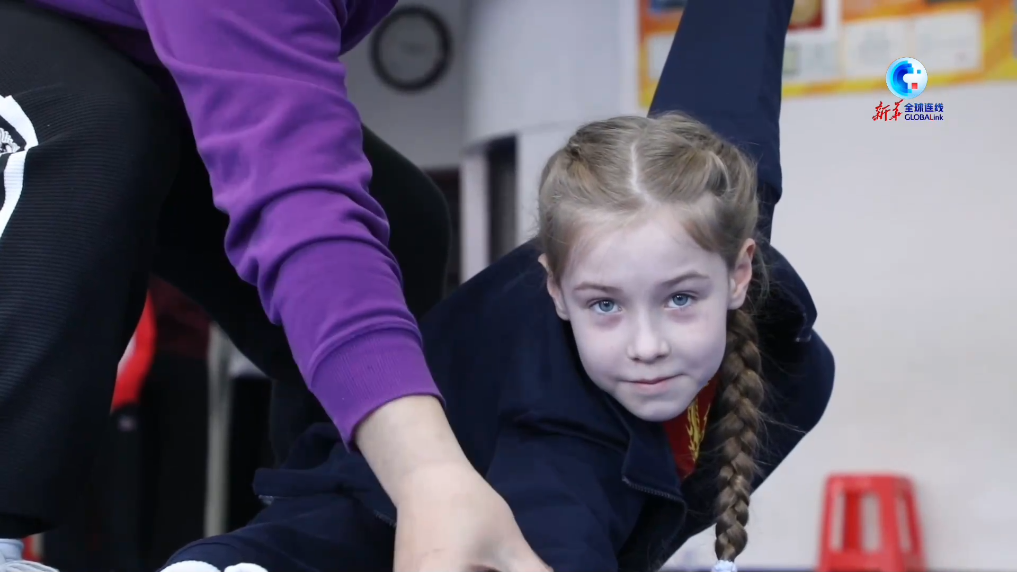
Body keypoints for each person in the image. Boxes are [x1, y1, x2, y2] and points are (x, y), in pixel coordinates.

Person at [158, 0, 835, 570]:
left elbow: (729, 73)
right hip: (344, 510)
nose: (647, 345)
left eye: (680, 299)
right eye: (605, 305)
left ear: (739, 272)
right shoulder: (566, 451)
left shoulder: (719, 230)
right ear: (557, 291)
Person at [0, 1, 548, 572]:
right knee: (92, 119)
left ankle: (311, 537)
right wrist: (429, 477)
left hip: (138, 51)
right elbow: (300, 201)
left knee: (402, 223)